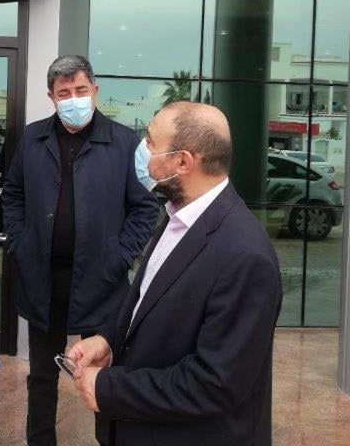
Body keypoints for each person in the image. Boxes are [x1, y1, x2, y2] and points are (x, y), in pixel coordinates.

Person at [67, 102, 283, 446]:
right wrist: (108, 340)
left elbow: (213, 384)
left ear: (183, 162)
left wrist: (109, 389)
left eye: (151, 142)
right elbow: (146, 302)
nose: (142, 149)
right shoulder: (178, 215)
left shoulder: (246, 258)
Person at [2, 55, 160, 445]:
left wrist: (120, 256)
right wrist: (20, 243)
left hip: (102, 281)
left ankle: (110, 440)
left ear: (95, 90)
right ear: (51, 97)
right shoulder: (33, 138)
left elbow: (145, 207)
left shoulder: (124, 142)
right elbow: (13, 195)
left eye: (80, 90)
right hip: (43, 280)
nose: (73, 98)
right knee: (42, 374)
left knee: (106, 374)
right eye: (64, 92)